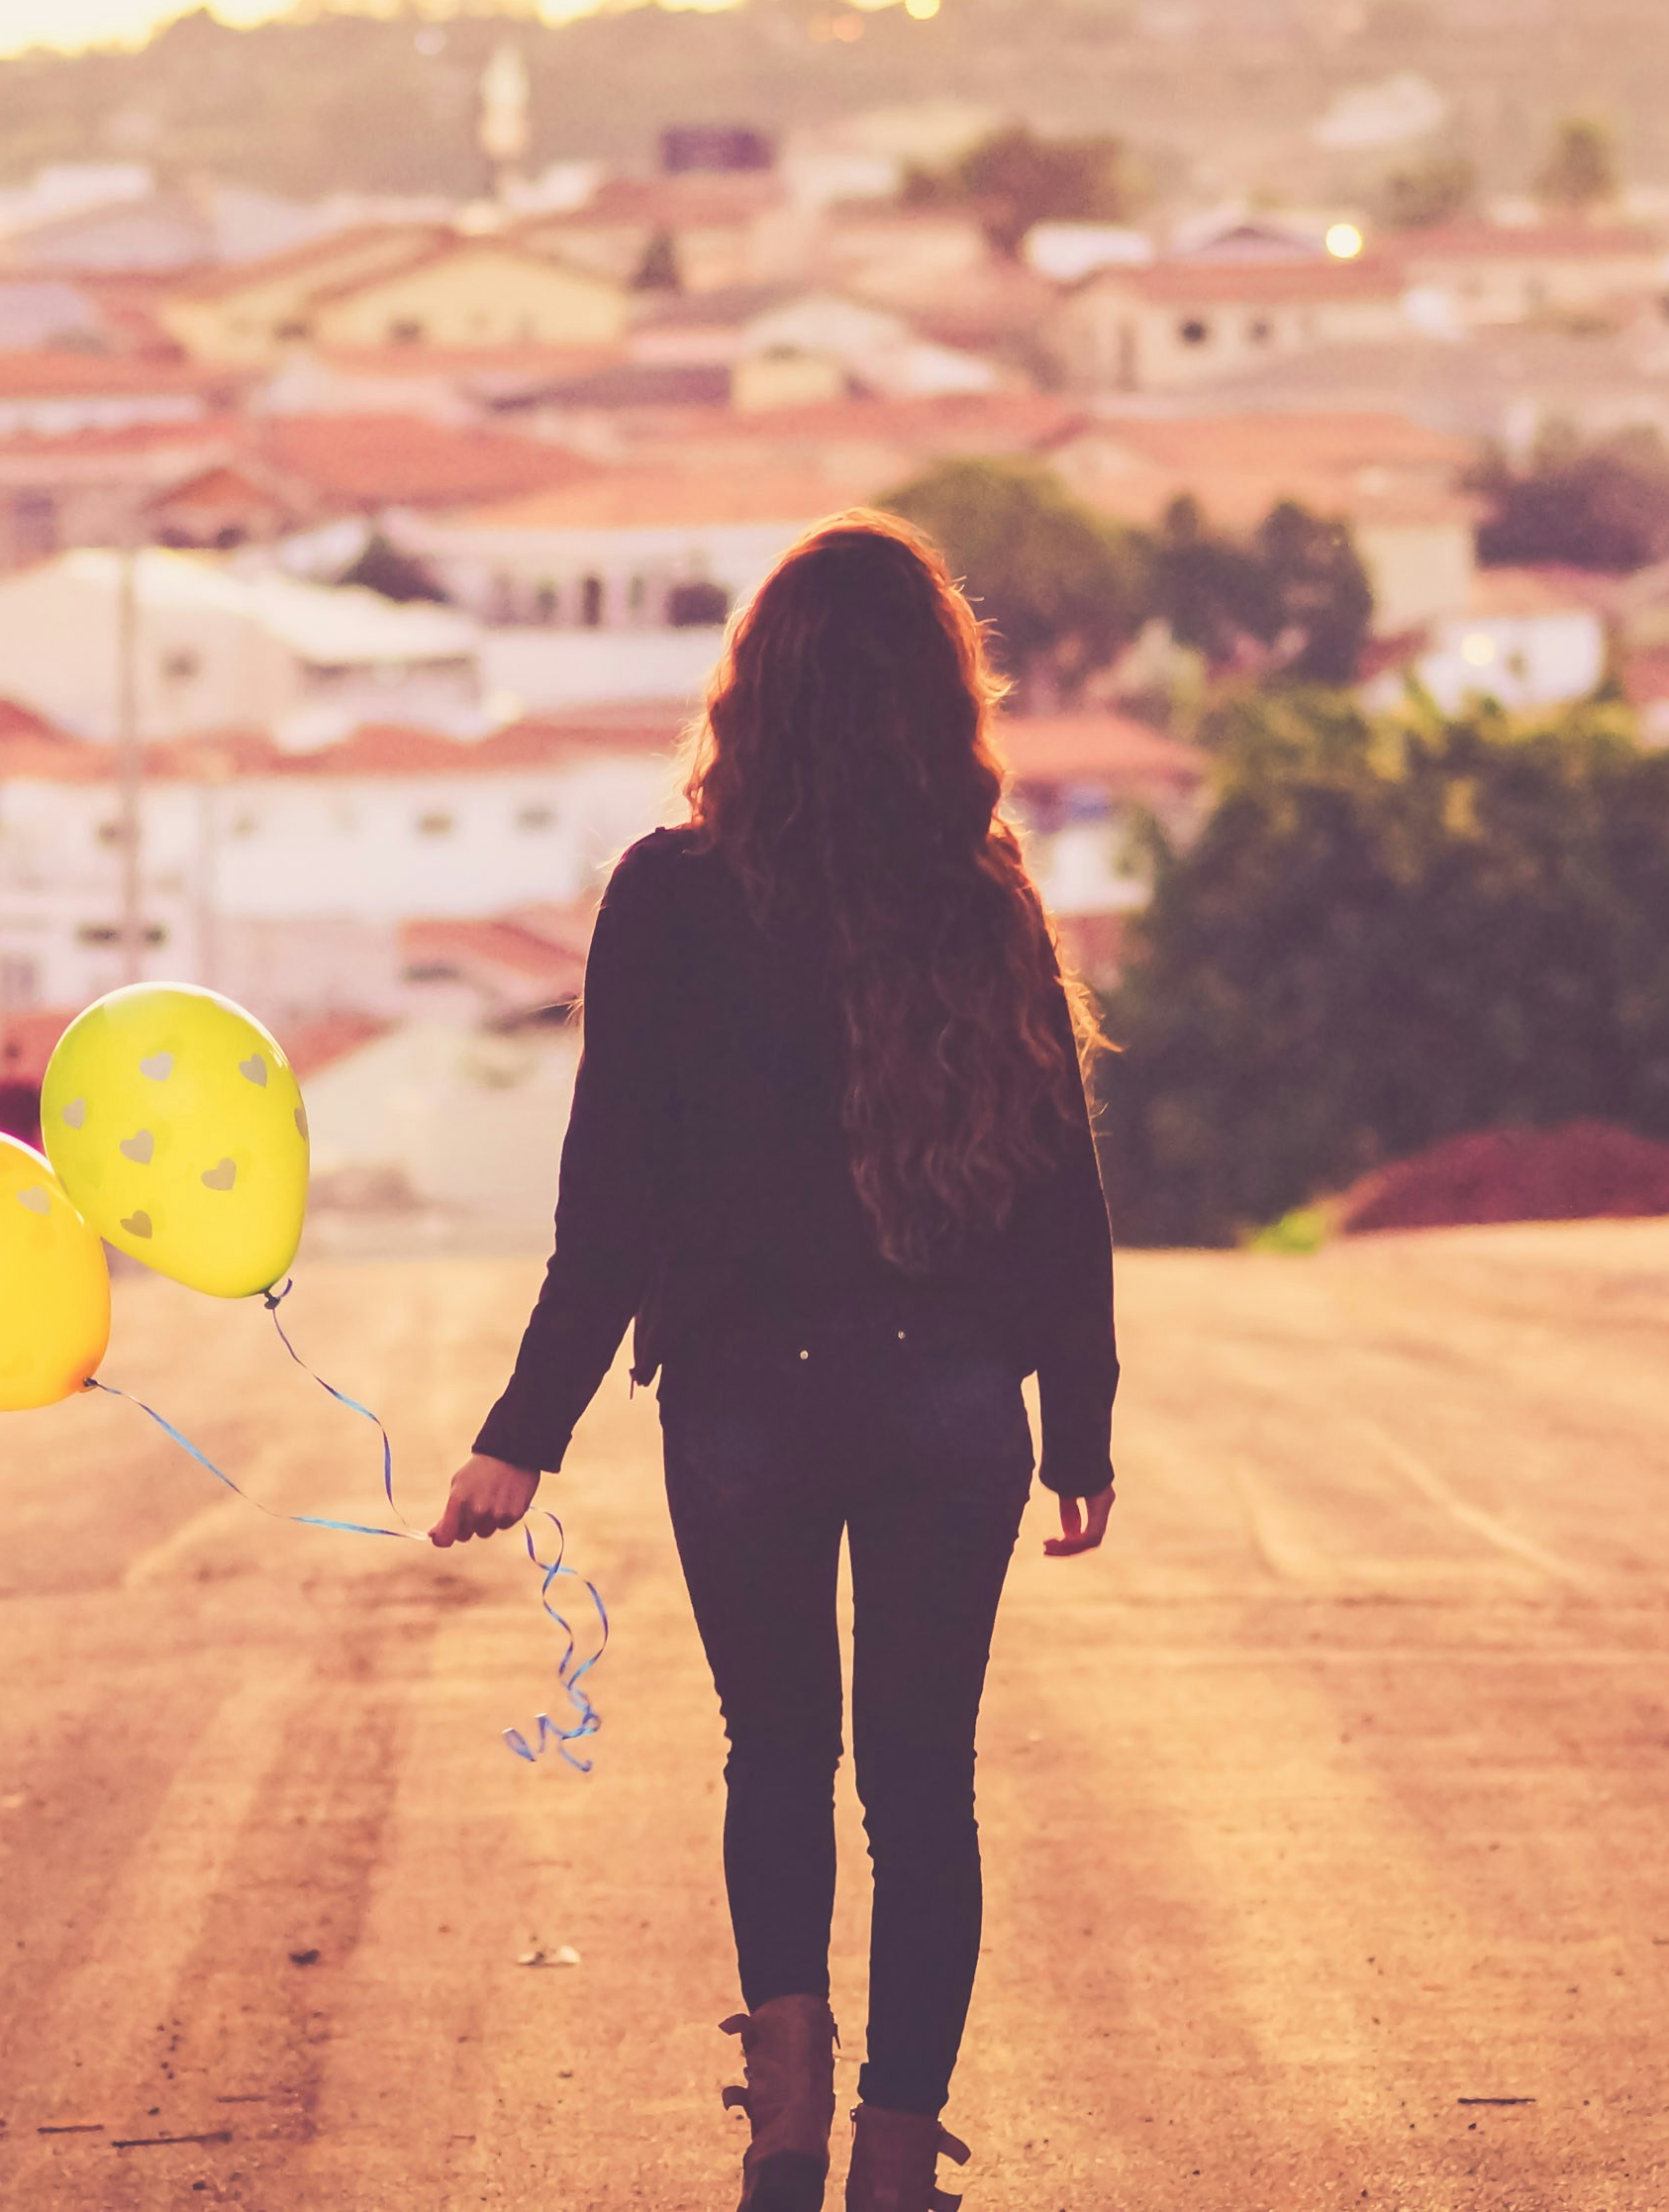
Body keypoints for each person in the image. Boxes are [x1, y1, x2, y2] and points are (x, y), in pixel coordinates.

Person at [431, 512, 1120, 2212]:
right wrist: (1078, 1423)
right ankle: (895, 2163)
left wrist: (524, 1433)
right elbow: (1058, 1185)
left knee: (777, 1755)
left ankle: (785, 2143)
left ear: (758, 691)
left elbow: (612, 1198)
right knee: (922, 1784)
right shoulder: (981, 897)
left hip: (743, 1402)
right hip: (949, 1401)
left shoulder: (671, 897)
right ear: (937, 696)